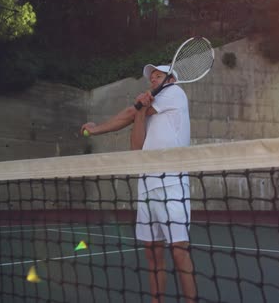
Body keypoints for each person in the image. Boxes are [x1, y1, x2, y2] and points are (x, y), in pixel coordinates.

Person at [80, 64, 196, 303]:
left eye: (158, 75)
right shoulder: (151, 108)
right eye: (151, 77)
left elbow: (127, 114)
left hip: (172, 184)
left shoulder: (174, 92)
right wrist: (141, 112)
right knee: (153, 255)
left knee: (179, 251)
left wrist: (96, 129)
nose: (153, 79)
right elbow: (136, 148)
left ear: (170, 78)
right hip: (147, 188)